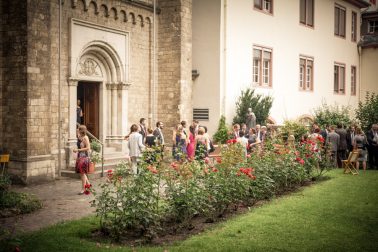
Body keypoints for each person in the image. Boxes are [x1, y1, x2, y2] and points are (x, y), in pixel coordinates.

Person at [73, 125, 91, 195]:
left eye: (79, 130)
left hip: (84, 156)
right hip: (80, 156)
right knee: (81, 173)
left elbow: (88, 148)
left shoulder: (85, 138)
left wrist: (78, 149)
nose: (77, 131)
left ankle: (83, 188)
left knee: (82, 173)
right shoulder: (79, 137)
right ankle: (88, 185)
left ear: (81, 130)